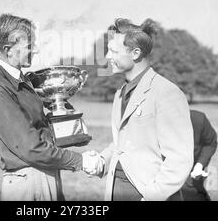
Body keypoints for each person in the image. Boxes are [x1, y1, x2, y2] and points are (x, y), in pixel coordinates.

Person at [0, 13, 96, 201]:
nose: (36, 50)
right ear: (9, 49)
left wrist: (70, 132)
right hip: (29, 181)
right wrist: (81, 161)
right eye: (30, 45)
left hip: (42, 175)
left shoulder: (20, 81)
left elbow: (39, 133)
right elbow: (31, 149)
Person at [83, 18, 194, 201]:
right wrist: (102, 161)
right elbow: (123, 145)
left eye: (113, 51)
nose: (108, 57)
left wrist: (151, 197)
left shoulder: (167, 93)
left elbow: (179, 159)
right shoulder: (120, 92)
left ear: (135, 53)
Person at [181, 109, 218, 201]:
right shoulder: (155, 122)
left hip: (192, 170)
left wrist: (199, 165)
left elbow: (210, 143)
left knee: (192, 194)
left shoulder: (199, 119)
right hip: (163, 170)